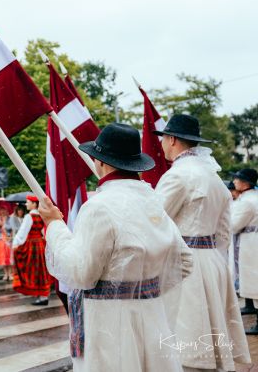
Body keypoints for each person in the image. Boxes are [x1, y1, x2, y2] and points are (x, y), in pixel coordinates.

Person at [39, 123, 193, 371]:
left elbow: (81, 274)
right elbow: (184, 261)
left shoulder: (98, 206)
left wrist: (55, 226)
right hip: (152, 315)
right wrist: (143, 290)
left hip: (108, 323)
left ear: (101, 162)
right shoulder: (151, 200)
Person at [154, 113, 250, 369]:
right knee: (208, 336)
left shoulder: (177, 176)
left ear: (172, 139)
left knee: (185, 340)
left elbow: (154, 222)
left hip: (184, 263)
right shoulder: (214, 177)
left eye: (163, 138)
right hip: (212, 261)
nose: (161, 143)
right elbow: (223, 232)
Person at [231, 167, 258, 334]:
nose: (234, 182)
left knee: (254, 280)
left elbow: (234, 225)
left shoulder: (248, 202)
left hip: (250, 242)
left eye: (237, 179)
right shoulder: (251, 198)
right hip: (251, 241)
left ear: (245, 183)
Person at [11, 195, 51, 305]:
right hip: (40, 244)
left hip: (32, 246)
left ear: (34, 204)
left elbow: (23, 232)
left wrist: (16, 244)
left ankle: (41, 296)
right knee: (41, 270)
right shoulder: (41, 215)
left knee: (34, 270)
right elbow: (44, 231)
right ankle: (43, 295)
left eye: (28, 202)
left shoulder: (29, 216)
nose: (26, 204)